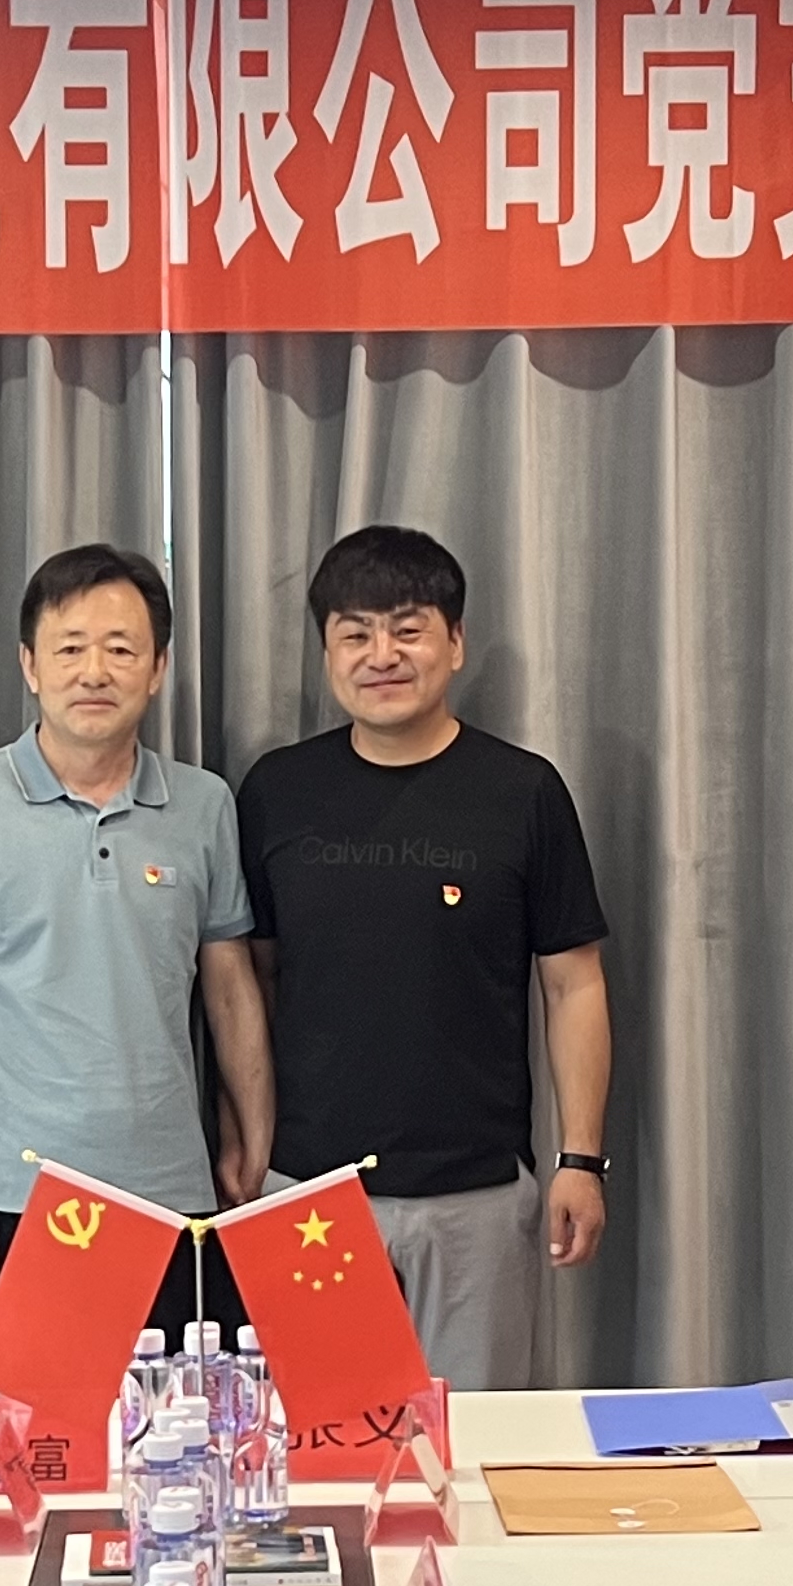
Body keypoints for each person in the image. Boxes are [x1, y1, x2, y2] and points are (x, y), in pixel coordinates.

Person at [238, 527, 612, 1389]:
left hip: (476, 1195)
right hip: (307, 1193)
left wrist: (581, 1160)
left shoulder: (523, 791)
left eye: (408, 629)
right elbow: (246, 984)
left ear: (455, 642)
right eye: (355, 633)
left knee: (470, 1442)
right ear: (327, 651)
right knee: (317, 1444)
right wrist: (247, 1148)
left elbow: (574, 984)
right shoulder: (276, 791)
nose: (382, 655)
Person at [0, 546, 273, 1384]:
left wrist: (252, 1132)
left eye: (121, 648)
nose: (94, 671)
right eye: (69, 648)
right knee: (30, 1451)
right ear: (31, 665)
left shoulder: (204, 805)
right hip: (19, 1203)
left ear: (158, 668)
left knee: (175, 1443)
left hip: (175, 1200)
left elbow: (230, 987)